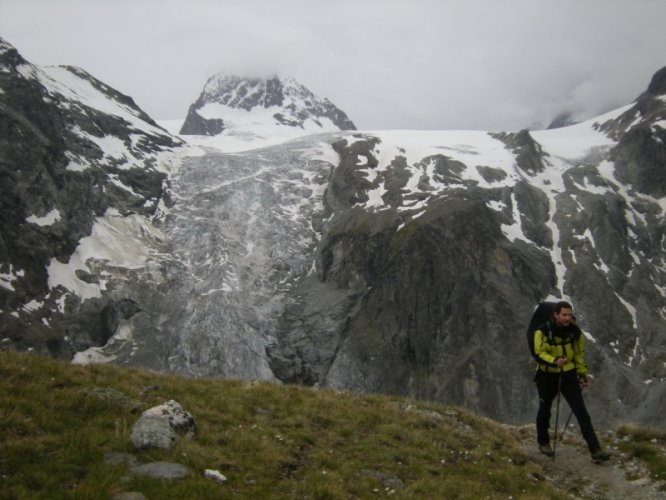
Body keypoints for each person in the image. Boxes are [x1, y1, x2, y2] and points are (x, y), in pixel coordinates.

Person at [533, 301, 609, 461]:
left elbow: (578, 355)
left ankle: (595, 449)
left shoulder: (576, 333)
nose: (568, 318)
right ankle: (543, 442)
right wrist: (554, 360)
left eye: (569, 314)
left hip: (569, 375)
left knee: (581, 411)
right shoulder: (542, 331)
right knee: (545, 409)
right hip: (547, 375)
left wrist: (582, 374)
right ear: (556, 315)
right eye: (564, 315)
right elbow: (539, 353)